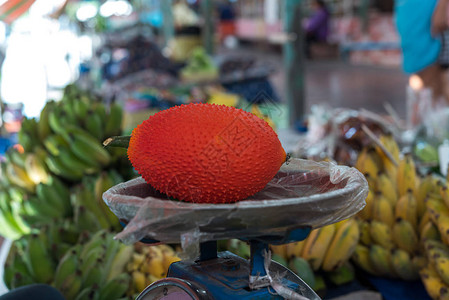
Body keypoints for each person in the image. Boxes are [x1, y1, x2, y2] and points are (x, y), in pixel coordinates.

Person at [394, 0, 449, 104]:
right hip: (418, 50)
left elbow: (439, 22)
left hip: (429, 51)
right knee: (430, 99)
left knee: (435, 96)